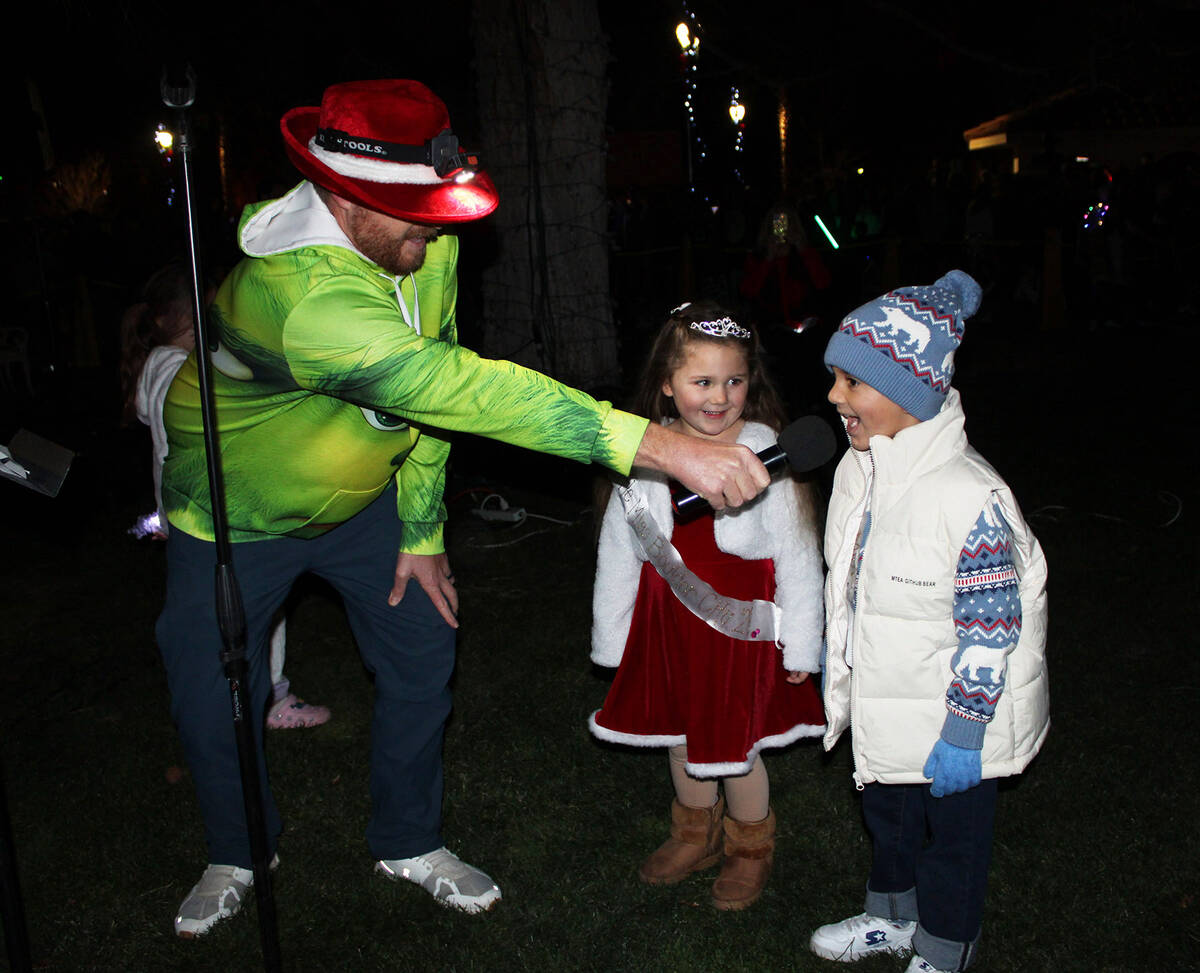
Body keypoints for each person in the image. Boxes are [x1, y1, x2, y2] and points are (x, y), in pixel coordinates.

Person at [157, 80, 769, 937]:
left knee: (422, 645)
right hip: (232, 512)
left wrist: (419, 527)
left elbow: (431, 385)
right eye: (410, 215)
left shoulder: (420, 236)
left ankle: (407, 839)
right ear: (342, 196)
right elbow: (462, 389)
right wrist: (665, 446)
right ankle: (238, 847)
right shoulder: (299, 296)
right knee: (210, 690)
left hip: (366, 498)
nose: (432, 232)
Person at [808, 271, 1049, 972]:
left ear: (911, 390)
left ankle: (946, 946)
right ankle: (892, 915)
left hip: (956, 723)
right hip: (890, 699)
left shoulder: (968, 497)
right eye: (834, 378)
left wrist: (965, 729)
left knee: (953, 841)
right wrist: (840, 655)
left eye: (852, 382)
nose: (833, 397)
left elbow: (991, 626)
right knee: (890, 821)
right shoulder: (863, 465)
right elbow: (853, 578)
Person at [589, 301, 825, 911]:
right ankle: (694, 830)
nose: (719, 397)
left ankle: (750, 846)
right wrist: (613, 642)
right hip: (667, 627)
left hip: (737, 633)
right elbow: (620, 551)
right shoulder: (644, 452)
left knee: (734, 741)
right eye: (701, 382)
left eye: (734, 380)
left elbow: (799, 555)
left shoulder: (766, 449)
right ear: (667, 386)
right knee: (678, 733)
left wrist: (802, 643)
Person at [119, 264, 331, 731]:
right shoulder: (180, 371)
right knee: (257, 604)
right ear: (185, 322)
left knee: (229, 611)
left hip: (189, 515)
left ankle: (243, 696)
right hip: (214, 516)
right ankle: (270, 697)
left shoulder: (155, 367)